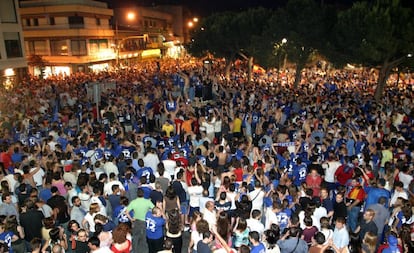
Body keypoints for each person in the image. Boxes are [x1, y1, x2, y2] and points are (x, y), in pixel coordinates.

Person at [126, 188, 154, 253]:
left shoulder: (133, 202)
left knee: (135, 237)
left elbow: (126, 212)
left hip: (136, 221)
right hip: (145, 221)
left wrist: (131, 219)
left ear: (137, 194)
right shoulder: (147, 201)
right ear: (143, 194)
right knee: (145, 236)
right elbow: (154, 209)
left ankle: (134, 250)